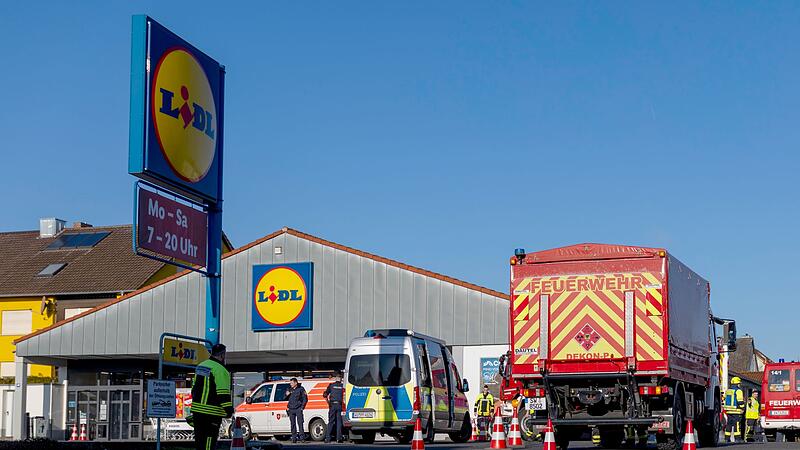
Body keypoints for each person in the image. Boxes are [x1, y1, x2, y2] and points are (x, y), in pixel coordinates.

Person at [187, 344, 233, 450]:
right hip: (212, 412)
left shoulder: (201, 366)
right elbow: (222, 393)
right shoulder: (221, 370)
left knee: (199, 441)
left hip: (197, 411)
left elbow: (194, 389)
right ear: (222, 355)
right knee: (209, 441)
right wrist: (229, 410)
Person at [323, 372, 345, 443]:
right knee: (339, 422)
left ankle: (328, 438)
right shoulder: (343, 386)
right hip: (339, 405)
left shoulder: (331, 385)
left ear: (336, 378)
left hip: (332, 405)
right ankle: (339, 438)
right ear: (341, 379)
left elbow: (325, 394)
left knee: (331, 422)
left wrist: (328, 403)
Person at [285, 377, 309, 442]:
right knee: (292, 424)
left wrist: (302, 408)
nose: (291, 384)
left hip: (298, 408)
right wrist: (286, 394)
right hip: (291, 409)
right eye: (290, 383)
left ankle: (302, 438)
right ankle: (294, 438)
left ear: (296, 383)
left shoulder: (301, 389)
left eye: (292, 383)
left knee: (300, 423)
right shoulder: (289, 389)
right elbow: (285, 398)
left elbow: (305, 399)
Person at [724, 376, 745, 443]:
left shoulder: (728, 390)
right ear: (737, 383)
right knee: (737, 425)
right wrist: (743, 407)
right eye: (739, 383)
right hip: (736, 411)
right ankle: (737, 439)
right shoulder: (738, 391)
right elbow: (740, 401)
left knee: (729, 425)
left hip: (729, 411)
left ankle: (727, 438)